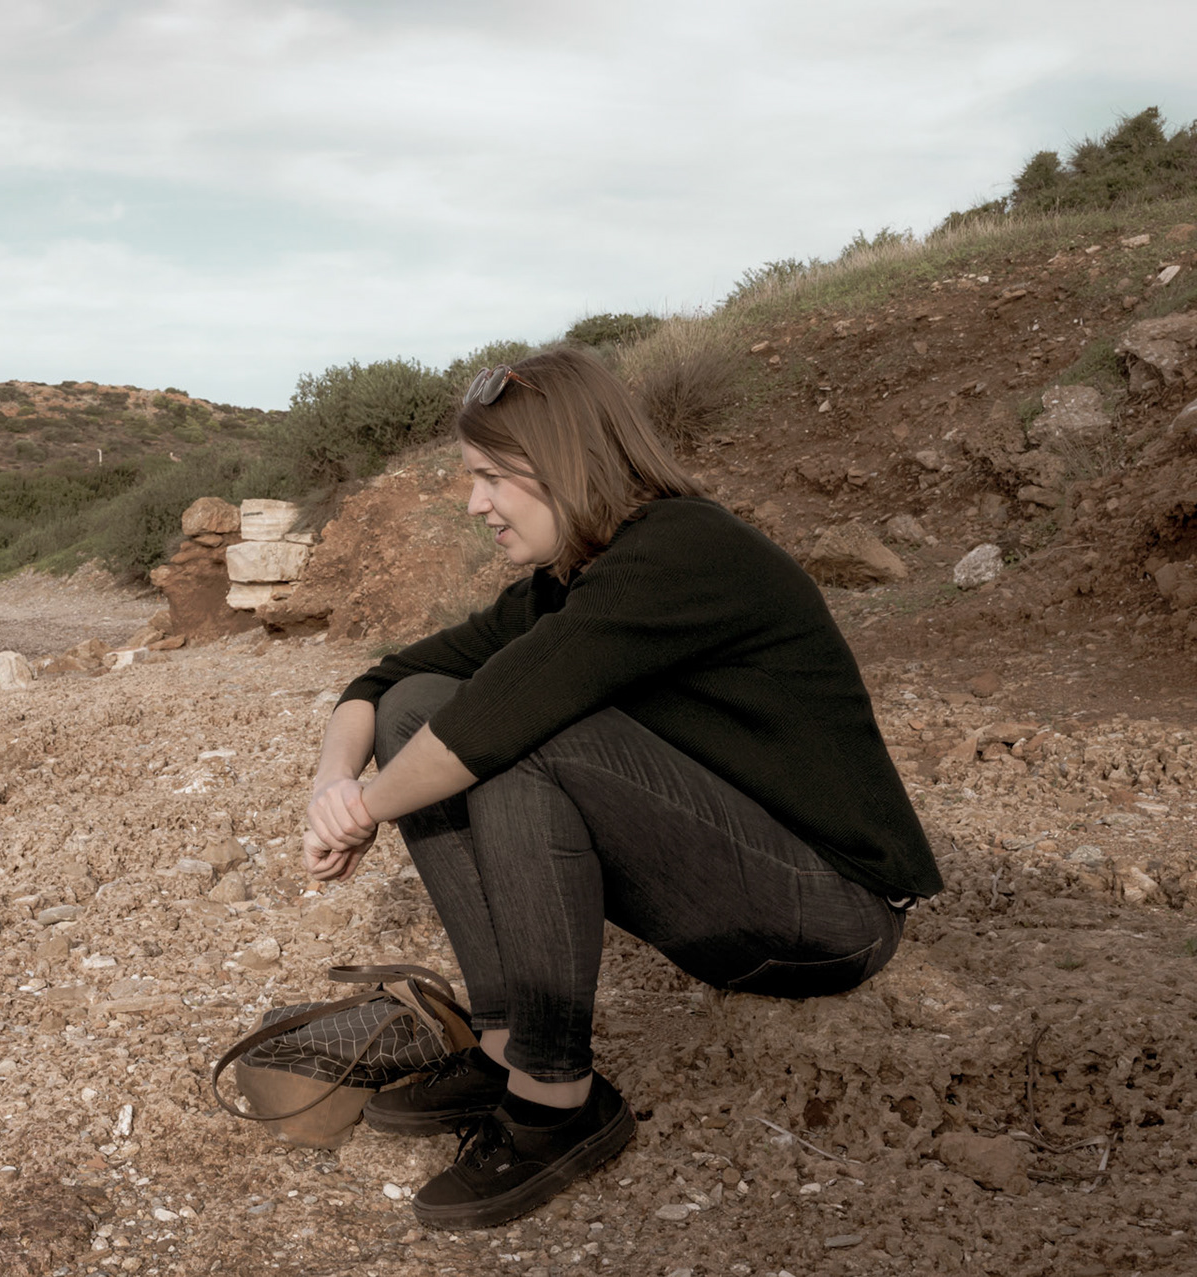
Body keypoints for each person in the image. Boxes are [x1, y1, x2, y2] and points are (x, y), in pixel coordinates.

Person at [302, 347, 941, 1231]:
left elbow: (498, 720)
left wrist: (366, 811)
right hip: (733, 887)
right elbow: (386, 682)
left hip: (832, 914)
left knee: (526, 728)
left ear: (564, 460)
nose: (475, 504)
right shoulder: (570, 581)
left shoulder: (685, 549)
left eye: (491, 477)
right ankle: (503, 1046)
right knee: (421, 704)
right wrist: (334, 782)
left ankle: (558, 1103)